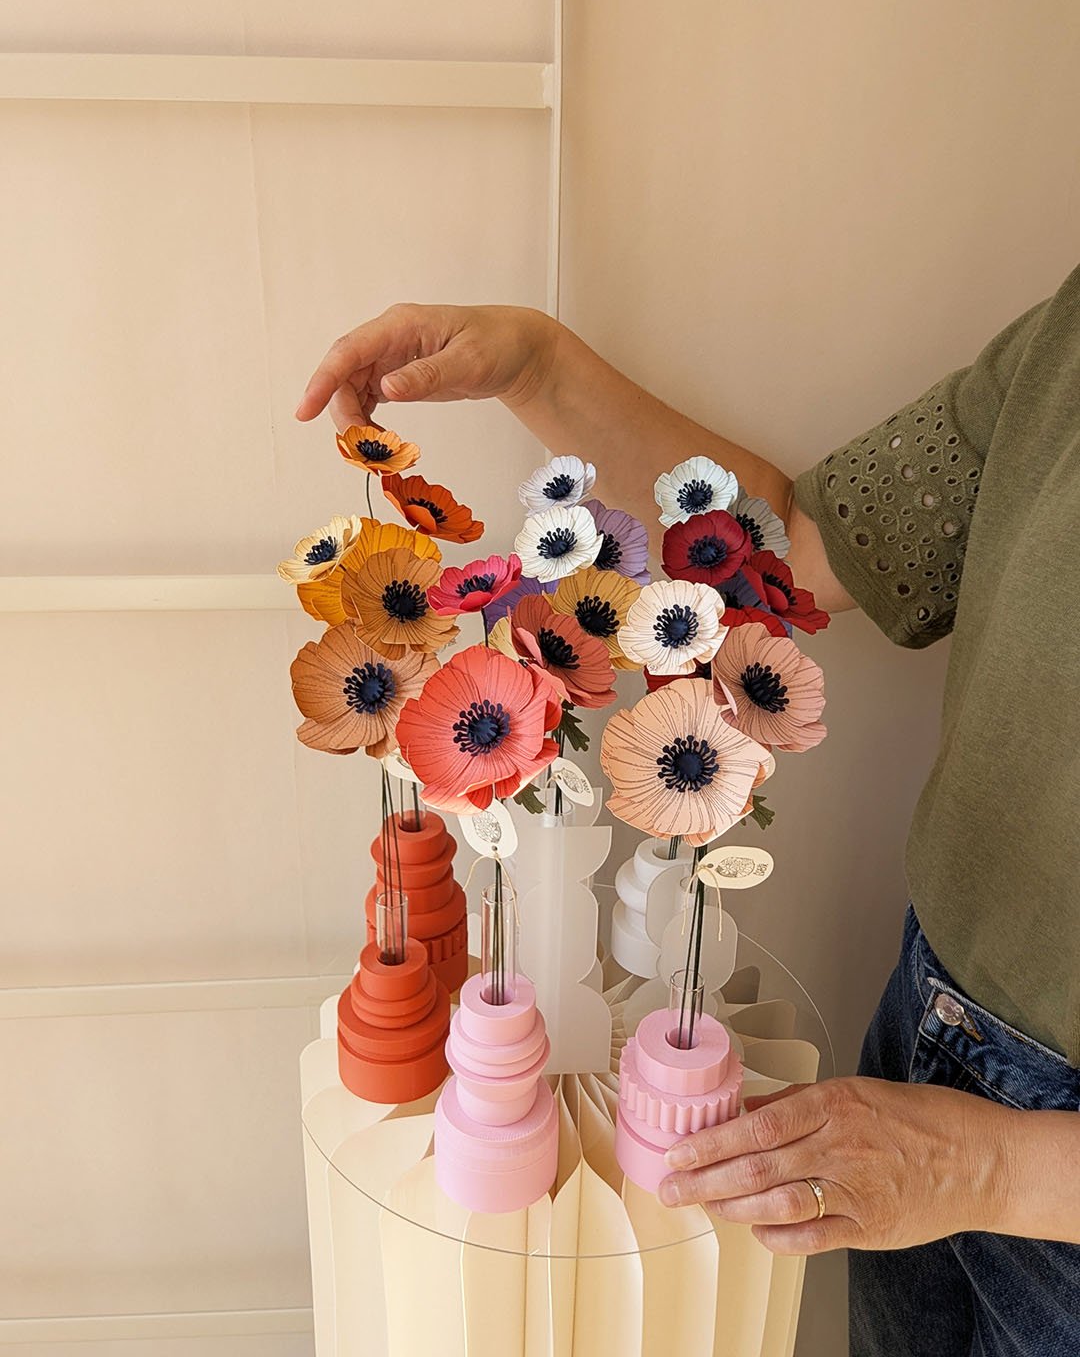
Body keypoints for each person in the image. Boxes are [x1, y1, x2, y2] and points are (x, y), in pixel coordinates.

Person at [298, 279, 1080, 1356]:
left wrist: (994, 1168)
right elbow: (786, 549)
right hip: (931, 1038)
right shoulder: (1066, 338)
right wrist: (538, 369)